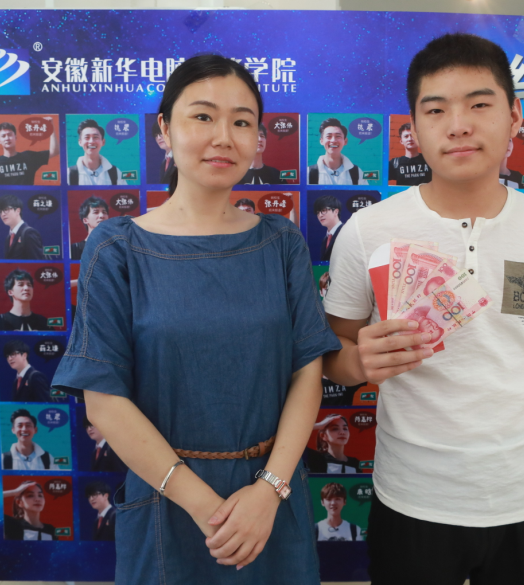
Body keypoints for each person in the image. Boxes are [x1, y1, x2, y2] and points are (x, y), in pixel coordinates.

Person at [321, 33, 524, 585]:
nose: (458, 125)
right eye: (436, 110)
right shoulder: (367, 231)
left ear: (514, 116)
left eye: (478, 104)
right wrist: (358, 362)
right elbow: (331, 355)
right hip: (412, 499)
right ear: (413, 128)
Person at [51, 54, 341, 583]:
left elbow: (307, 371)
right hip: (167, 499)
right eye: (203, 116)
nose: (223, 137)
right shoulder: (116, 247)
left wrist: (268, 492)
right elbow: (104, 398)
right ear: (164, 129)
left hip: (272, 498)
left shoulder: (281, 242)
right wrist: (210, 510)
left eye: (242, 122)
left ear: (257, 139)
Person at [0, 118, 59, 186]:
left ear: (15, 137)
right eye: (3, 136)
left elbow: (55, 151)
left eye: (9, 135)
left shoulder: (29, 157)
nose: (7, 138)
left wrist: (51, 126)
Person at [308, 118, 368, 185]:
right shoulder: (309, 173)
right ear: (321, 141)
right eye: (329, 136)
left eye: (338, 136)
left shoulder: (357, 172)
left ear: (345, 141)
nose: (333, 140)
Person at [68, 119, 127, 186]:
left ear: (103, 142)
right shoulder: (69, 174)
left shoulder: (115, 173)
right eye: (87, 137)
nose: (91, 141)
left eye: (95, 137)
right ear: (80, 142)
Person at [0, 194, 45, 260]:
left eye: (6, 209)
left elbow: (37, 262)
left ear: (18, 211)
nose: (2, 214)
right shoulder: (9, 237)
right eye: (0, 211)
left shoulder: (29, 233)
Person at [314, 195, 343, 261]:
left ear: (336, 212)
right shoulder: (325, 239)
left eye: (323, 210)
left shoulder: (345, 232)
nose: (320, 215)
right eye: (318, 212)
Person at [152, 120, 177, 184]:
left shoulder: (181, 159)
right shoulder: (163, 163)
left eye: (161, 134)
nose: (158, 138)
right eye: (156, 135)